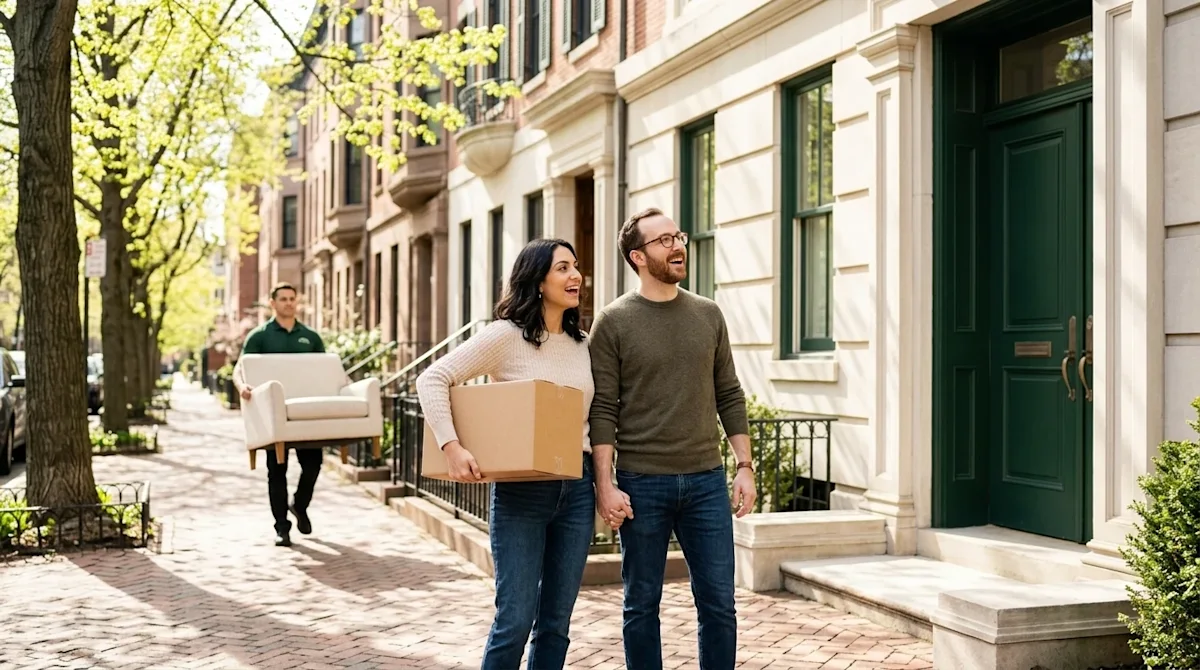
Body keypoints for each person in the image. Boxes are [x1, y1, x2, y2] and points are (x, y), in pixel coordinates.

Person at [416, 238, 601, 670]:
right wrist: (452, 445)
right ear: (537, 281)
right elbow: (433, 379)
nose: (575, 276)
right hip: (522, 495)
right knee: (515, 621)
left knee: (556, 623)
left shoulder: (583, 344)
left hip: (577, 488)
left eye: (575, 267)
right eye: (562, 268)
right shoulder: (506, 336)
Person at [588, 207, 757, 670]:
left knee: (719, 606)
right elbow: (602, 408)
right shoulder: (614, 321)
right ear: (638, 256)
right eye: (663, 240)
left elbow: (730, 393)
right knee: (641, 605)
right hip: (643, 483)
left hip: (706, 481)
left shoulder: (708, 314)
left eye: (677, 236)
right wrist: (605, 484)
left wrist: (744, 467)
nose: (678, 245)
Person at [233, 282, 329, 548]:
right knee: (277, 471)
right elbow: (240, 370)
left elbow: (325, 371)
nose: (288, 303)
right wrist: (242, 387)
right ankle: (281, 528)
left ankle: (298, 504)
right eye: (283, 299)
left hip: (305, 414)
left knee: (313, 465)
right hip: (271, 416)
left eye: (292, 299)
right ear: (272, 303)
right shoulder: (259, 337)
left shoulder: (310, 337)